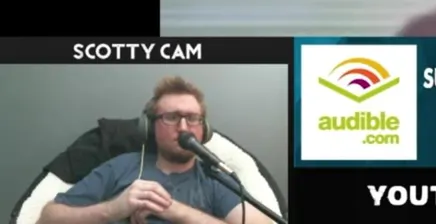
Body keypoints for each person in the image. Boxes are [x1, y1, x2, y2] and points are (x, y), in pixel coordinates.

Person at [38, 76, 272, 224]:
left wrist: (173, 210)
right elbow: (47, 218)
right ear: (150, 127)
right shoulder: (121, 166)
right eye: (171, 117)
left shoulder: (214, 178)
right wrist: (113, 209)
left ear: (205, 129)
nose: (184, 128)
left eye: (192, 118)